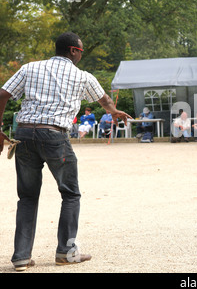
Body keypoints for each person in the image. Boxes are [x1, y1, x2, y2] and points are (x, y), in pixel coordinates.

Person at [0, 31, 132, 271]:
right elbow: (104, 100)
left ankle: (20, 256)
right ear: (73, 51)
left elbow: (2, 94)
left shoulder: (30, 68)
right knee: (70, 194)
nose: (81, 54)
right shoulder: (82, 76)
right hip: (55, 136)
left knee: (27, 197)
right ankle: (66, 252)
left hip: (25, 135)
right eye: (81, 51)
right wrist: (113, 111)